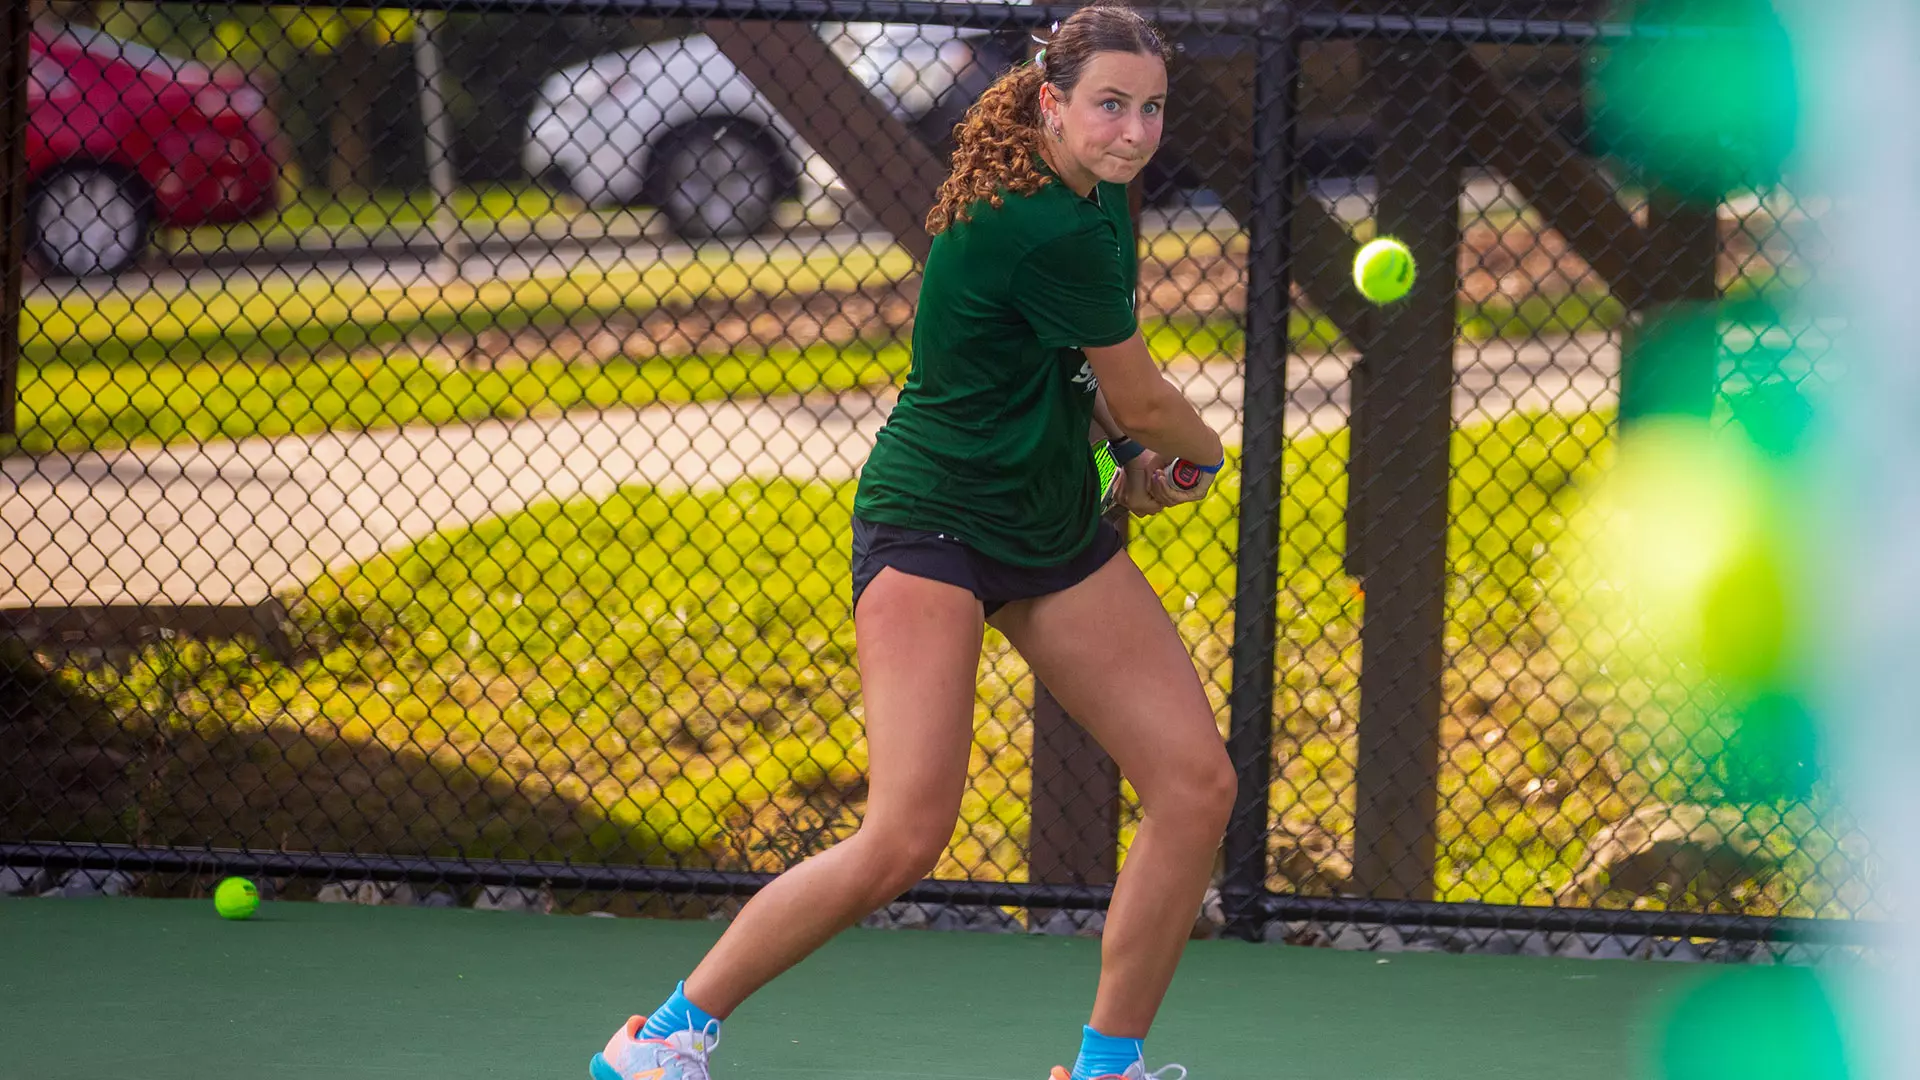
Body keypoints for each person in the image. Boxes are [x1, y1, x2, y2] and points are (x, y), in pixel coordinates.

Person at [589, 4, 1234, 1079]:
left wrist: (1127, 457)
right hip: (931, 523)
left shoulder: (1099, 197)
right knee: (903, 835)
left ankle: (1108, 1066)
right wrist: (1195, 456)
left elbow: (1082, 383)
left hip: (1046, 525)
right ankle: (663, 1040)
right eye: (1110, 105)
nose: (1132, 130)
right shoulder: (1042, 219)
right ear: (1052, 103)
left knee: (1194, 783)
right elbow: (1148, 401)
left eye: (1151, 108)